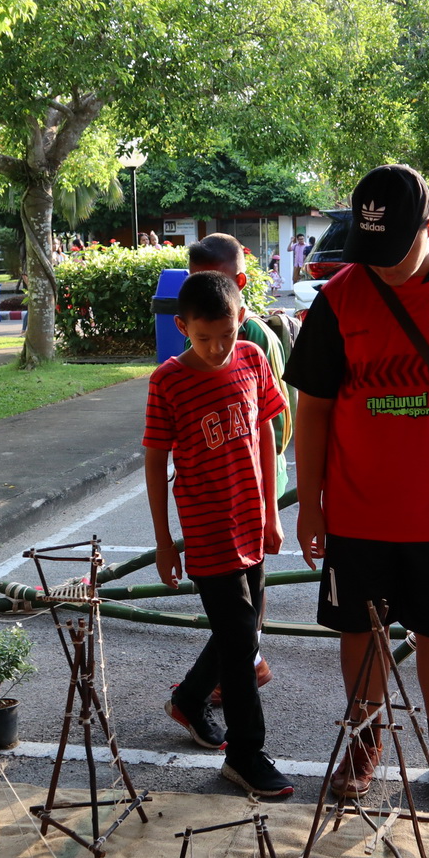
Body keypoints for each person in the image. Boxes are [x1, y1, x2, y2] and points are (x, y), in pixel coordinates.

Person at [285, 165, 429, 811]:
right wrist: (310, 501)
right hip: (356, 509)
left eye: (395, 249)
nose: (382, 267)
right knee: (359, 629)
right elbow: (314, 408)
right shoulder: (341, 296)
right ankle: (365, 739)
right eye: (371, 250)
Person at [143, 272, 292, 799]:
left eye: (226, 335)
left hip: (253, 520)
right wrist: (164, 541)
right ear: (182, 327)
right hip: (207, 532)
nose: (216, 348)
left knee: (244, 631)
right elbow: (155, 461)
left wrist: (272, 513)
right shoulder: (167, 381)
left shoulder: (252, 358)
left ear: (241, 320)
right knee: (240, 642)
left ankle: (188, 699)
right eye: (204, 338)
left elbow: (266, 432)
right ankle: (245, 755)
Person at [183, 232, 296, 706]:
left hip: (254, 485)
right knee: (236, 606)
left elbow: (276, 421)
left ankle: (238, 672)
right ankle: (239, 669)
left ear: (241, 284)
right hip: (217, 493)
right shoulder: (202, 333)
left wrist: (268, 504)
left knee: (246, 605)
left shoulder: (253, 340)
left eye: (216, 281)